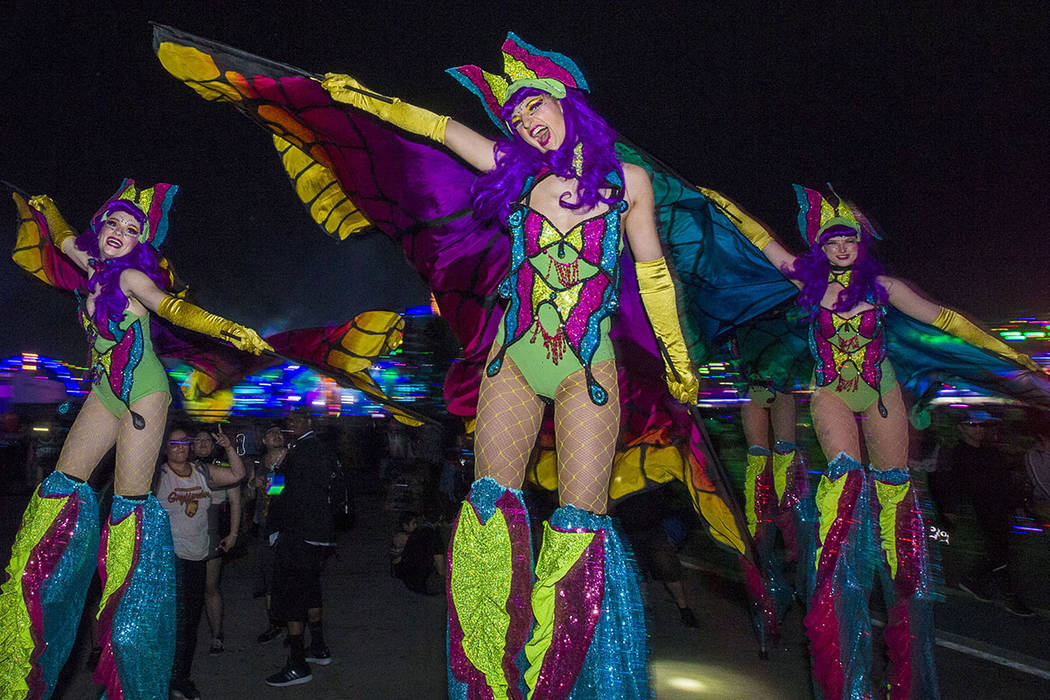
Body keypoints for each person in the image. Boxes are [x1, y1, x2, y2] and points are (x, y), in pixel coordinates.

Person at [323, 32, 698, 698]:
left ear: (567, 103)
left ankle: (575, 680)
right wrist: (361, 98)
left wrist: (677, 356)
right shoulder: (517, 175)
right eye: (517, 118)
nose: (526, 123)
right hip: (514, 358)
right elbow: (441, 127)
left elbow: (653, 272)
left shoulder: (628, 181)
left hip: (588, 363)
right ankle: (489, 680)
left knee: (582, 525)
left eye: (534, 108)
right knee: (490, 510)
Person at [734, 184, 1042, 698]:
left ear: (861, 243)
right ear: (820, 248)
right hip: (832, 391)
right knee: (846, 485)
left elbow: (947, 321)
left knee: (895, 492)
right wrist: (721, 204)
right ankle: (840, 598)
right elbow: (762, 241)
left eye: (848, 239)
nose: (839, 248)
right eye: (830, 242)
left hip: (880, 390)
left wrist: (1009, 358)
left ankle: (900, 603)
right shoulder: (806, 287)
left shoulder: (887, 289)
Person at [0, 181, 270, 700]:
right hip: (105, 389)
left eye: (133, 229)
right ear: (99, 231)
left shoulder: (128, 276)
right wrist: (47, 205)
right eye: (114, 224)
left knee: (129, 514)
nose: (121, 234)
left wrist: (226, 329)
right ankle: (28, 628)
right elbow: (60, 238)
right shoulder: (90, 263)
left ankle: (132, 670)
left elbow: (170, 308)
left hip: (144, 394)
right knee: (61, 489)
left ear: (140, 243)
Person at [155, 425, 247, 699]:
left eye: (185, 442)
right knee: (176, 622)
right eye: (174, 443)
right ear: (165, 448)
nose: (181, 447)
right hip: (170, 559)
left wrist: (228, 447)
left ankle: (180, 677)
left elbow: (238, 475)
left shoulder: (202, 472)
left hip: (198, 555)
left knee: (191, 621)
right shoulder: (158, 477)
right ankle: (169, 679)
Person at [263, 408, 338, 687]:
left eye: (296, 419)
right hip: (319, 536)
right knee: (311, 590)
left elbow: (281, 492)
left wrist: (273, 525)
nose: (290, 423)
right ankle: (318, 647)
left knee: (293, 597)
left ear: (308, 422)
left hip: (299, 536)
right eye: (288, 420)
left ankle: (297, 664)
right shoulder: (319, 449)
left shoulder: (300, 452)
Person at [937, 410, 1034, 616]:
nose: (979, 430)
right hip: (977, 513)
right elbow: (948, 484)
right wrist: (949, 510)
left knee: (1001, 552)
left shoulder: (990, 453)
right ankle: (1008, 596)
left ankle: (972, 579)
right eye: (973, 425)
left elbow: (1005, 481)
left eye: (982, 425)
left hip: (997, 510)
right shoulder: (957, 455)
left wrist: (1017, 505)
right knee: (1000, 553)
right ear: (961, 427)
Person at [189, 427, 244, 655]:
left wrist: (233, 534)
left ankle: (216, 635)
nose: (202, 444)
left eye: (206, 441)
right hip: (184, 534)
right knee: (186, 589)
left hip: (211, 534)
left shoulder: (223, 470)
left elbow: (236, 503)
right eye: (198, 440)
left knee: (210, 587)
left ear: (214, 445)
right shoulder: (182, 469)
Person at [249, 422, 288, 643]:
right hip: (265, 526)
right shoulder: (259, 464)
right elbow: (249, 497)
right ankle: (274, 623)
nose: (276, 435)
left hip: (288, 526)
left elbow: (280, 490)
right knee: (268, 578)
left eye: (279, 432)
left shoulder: (291, 459)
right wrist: (252, 485)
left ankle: (294, 625)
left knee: (288, 577)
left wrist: (272, 484)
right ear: (263, 441)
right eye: (270, 432)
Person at [390, 511, 445, 595]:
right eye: (413, 523)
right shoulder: (403, 538)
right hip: (416, 579)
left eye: (416, 523)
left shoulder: (415, 535)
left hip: (412, 577)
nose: (416, 526)